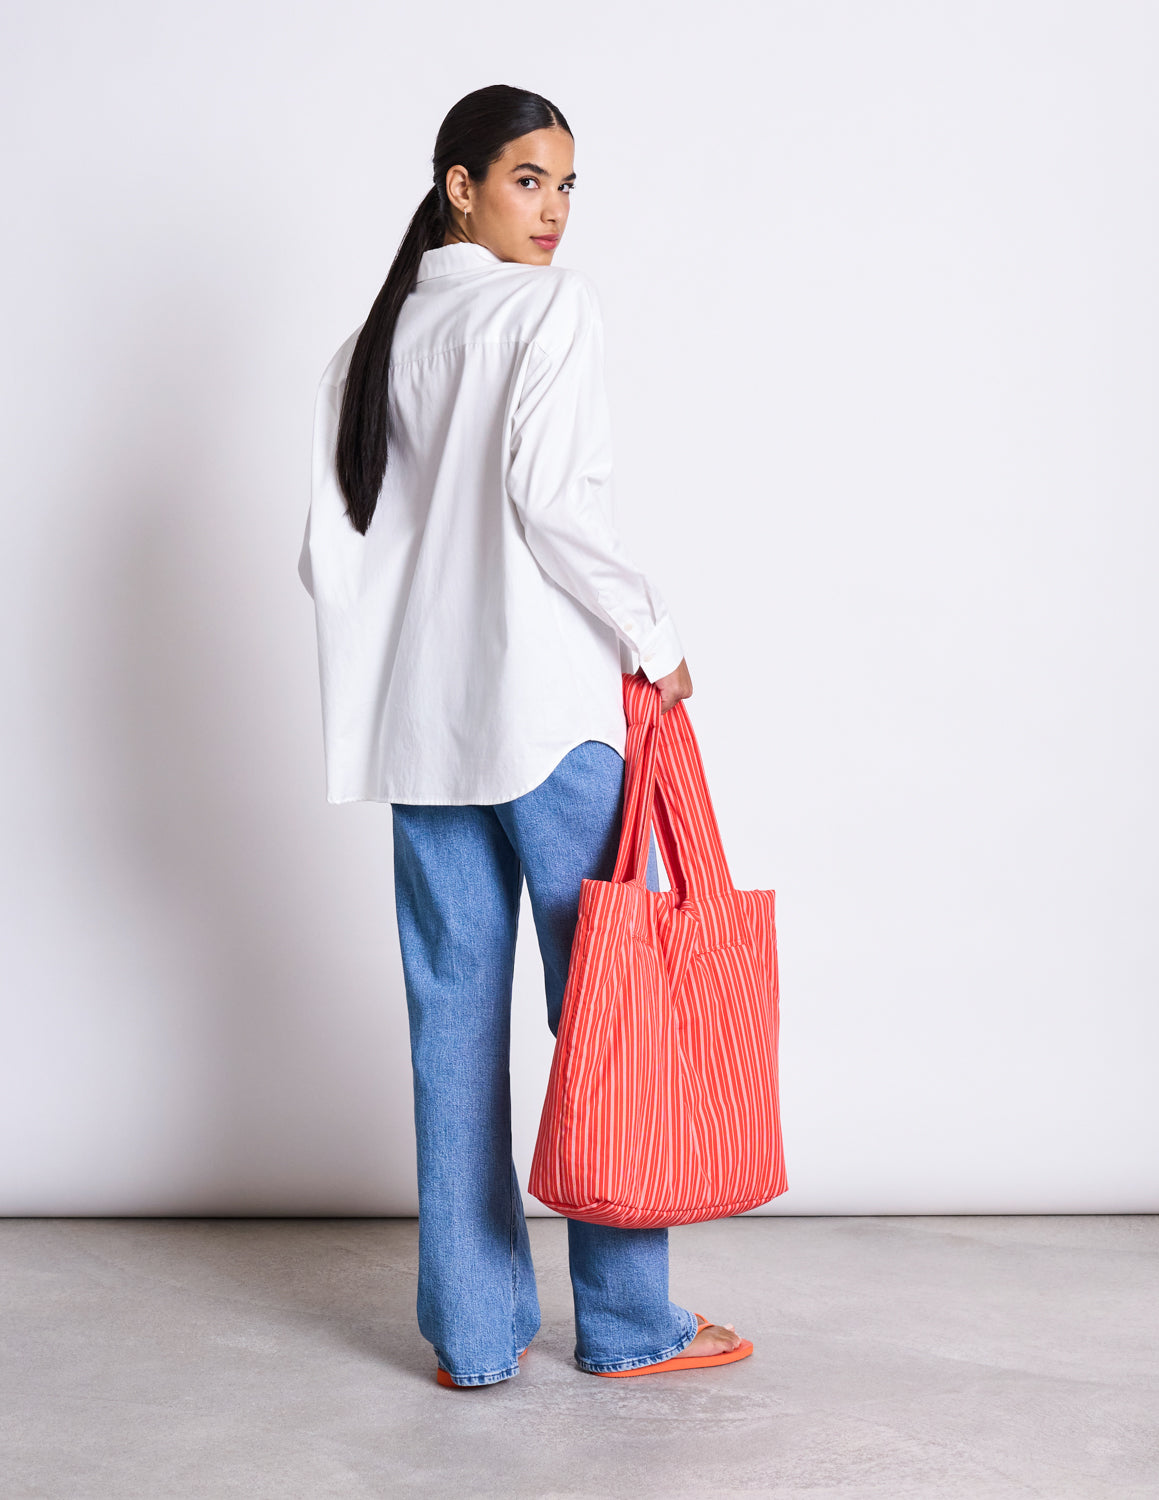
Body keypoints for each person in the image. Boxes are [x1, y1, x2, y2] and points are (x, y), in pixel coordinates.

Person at [298, 84, 750, 1387]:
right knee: (614, 1015)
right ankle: (625, 1323)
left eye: (565, 187)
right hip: (552, 722)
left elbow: (333, 562)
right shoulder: (548, 310)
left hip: (421, 743)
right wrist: (655, 640)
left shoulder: (365, 351)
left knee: (452, 1033)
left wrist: (390, 692)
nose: (551, 211)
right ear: (458, 184)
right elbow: (553, 504)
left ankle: (475, 1337)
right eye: (527, 180)